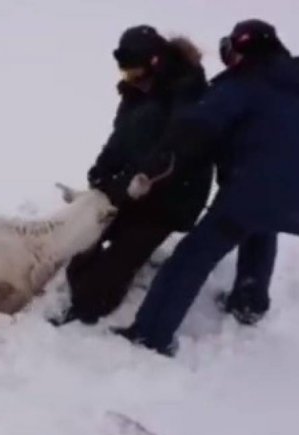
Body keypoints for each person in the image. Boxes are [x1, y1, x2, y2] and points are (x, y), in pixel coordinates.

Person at [113, 19, 299, 356]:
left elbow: (195, 127)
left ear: (243, 49)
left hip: (258, 188)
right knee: (261, 227)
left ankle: (150, 334)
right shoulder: (297, 83)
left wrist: (157, 166)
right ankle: (249, 300)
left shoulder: (244, 85)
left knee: (192, 256)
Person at [57, 25, 215, 325]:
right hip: (133, 190)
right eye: (126, 75)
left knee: (93, 295)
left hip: (170, 199)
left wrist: (127, 185)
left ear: (156, 63)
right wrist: (101, 170)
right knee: (79, 260)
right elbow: (120, 138)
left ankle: (96, 299)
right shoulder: (137, 93)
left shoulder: (187, 92)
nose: (131, 81)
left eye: (135, 73)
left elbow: (171, 153)